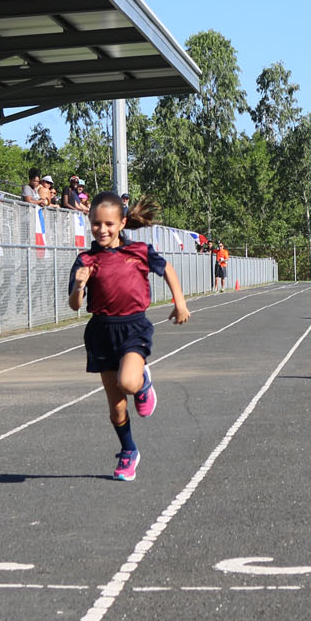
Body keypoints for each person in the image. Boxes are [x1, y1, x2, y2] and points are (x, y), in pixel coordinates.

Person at [68, 192, 190, 482]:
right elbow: (74, 305)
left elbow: (167, 269)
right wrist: (78, 286)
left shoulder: (139, 251)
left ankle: (143, 380)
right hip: (100, 332)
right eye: (96, 224)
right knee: (116, 406)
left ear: (122, 223)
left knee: (128, 383)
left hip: (133, 327)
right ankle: (128, 450)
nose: (102, 230)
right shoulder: (85, 259)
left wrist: (180, 301)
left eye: (109, 224)